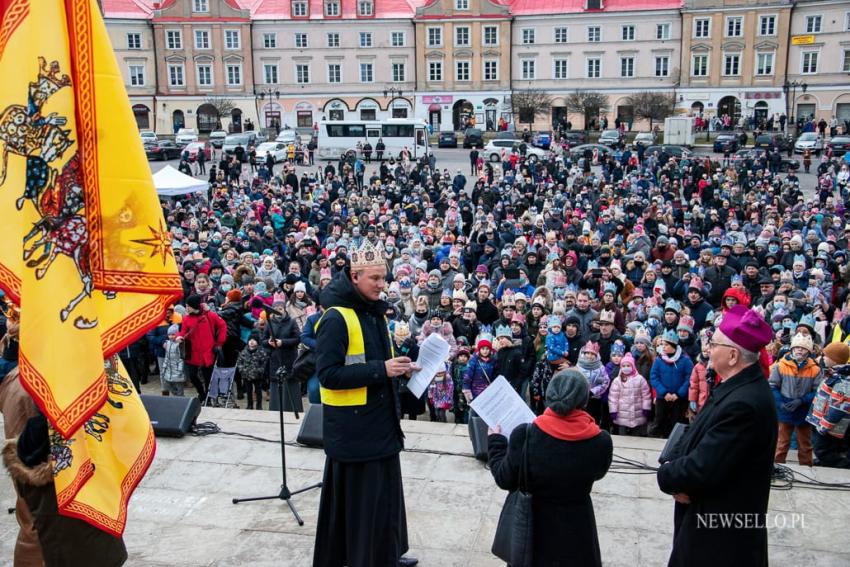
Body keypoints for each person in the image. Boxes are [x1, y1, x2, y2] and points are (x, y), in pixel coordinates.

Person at [313, 240, 419, 567]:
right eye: (374, 279)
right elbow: (328, 375)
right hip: (354, 428)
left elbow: (377, 362)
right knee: (364, 502)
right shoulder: (336, 317)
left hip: (380, 421)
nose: (381, 285)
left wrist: (399, 366)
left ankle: (387, 554)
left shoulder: (374, 312)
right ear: (355, 276)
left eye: (383, 278)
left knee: (386, 496)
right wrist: (381, 370)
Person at [657, 305, 777, 567]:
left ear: (733, 355)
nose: (708, 348)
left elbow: (704, 466)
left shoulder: (743, 404)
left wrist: (668, 475)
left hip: (720, 534)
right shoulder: (735, 385)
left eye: (714, 343)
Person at [487, 368, 613, 567]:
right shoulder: (601, 441)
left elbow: (504, 478)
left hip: (534, 529)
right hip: (577, 531)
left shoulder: (526, 434)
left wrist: (495, 441)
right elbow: (599, 473)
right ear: (584, 401)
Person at [769, 332, 823, 466]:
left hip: (803, 410)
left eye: (803, 348)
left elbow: (818, 391)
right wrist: (780, 402)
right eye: (797, 347)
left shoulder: (815, 369)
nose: (800, 350)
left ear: (809, 351)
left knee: (805, 444)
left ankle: (806, 467)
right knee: (782, 442)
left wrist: (802, 400)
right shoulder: (780, 366)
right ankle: (777, 466)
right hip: (785, 408)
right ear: (792, 348)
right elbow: (772, 386)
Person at [176, 294, 227, 401]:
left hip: (207, 352)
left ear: (193, 306)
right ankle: (201, 393)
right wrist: (179, 337)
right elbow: (183, 331)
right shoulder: (186, 318)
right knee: (193, 376)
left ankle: (207, 398)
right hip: (192, 352)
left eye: (188, 306)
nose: (186, 308)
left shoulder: (209, 315)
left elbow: (222, 325)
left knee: (208, 377)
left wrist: (219, 343)